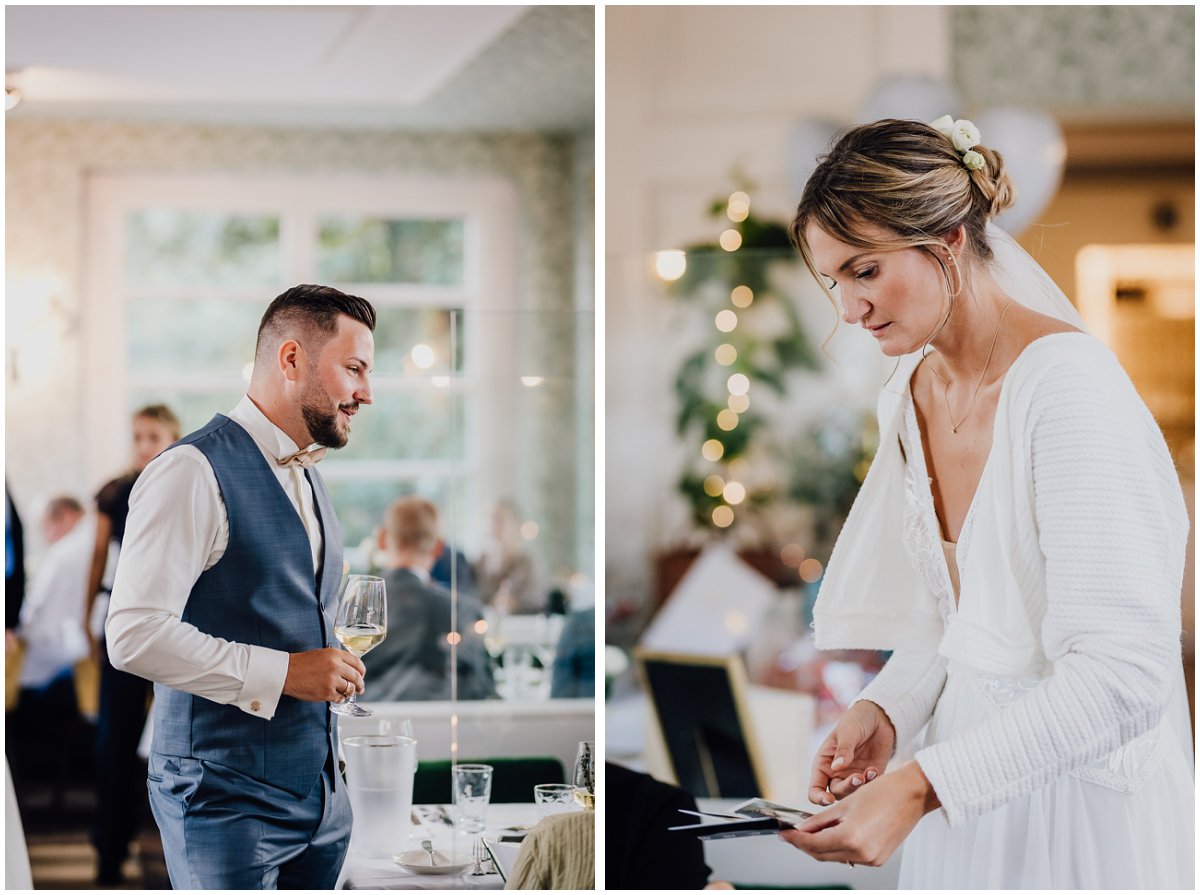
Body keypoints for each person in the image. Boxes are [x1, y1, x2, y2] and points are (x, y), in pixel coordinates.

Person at [779, 117, 1193, 888]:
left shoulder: (1067, 391)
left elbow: (1125, 674)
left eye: (864, 271)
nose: (849, 308)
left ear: (947, 242)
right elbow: (965, 616)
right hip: (962, 791)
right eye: (834, 280)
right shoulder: (908, 391)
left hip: (1075, 802)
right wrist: (890, 707)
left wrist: (921, 784)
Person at [106, 284, 376, 889]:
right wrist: (285, 673)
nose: (366, 393)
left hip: (323, 804)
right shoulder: (190, 471)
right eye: (354, 369)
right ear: (290, 360)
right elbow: (132, 636)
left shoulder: (307, 473)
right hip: (222, 801)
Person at [84, 403, 180, 884]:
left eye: (154, 436)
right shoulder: (117, 491)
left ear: (172, 437)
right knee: (114, 740)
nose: (144, 445)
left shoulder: (183, 483)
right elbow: (99, 557)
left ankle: (168, 844)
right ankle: (109, 845)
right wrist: (87, 616)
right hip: (122, 626)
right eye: (138, 436)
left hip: (173, 625)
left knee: (171, 732)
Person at [367, 496, 495, 701]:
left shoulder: (354, 607)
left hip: (364, 729)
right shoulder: (462, 611)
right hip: (441, 731)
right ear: (438, 548)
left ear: (382, 540)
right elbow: (481, 691)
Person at [17, 497, 91, 696]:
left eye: (45, 526)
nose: (45, 537)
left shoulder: (64, 553)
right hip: (82, 644)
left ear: (66, 515)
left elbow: (40, 609)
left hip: (66, 651)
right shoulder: (92, 540)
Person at [475, 499, 541, 614]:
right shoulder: (482, 561)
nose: (495, 525)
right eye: (493, 519)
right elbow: (474, 596)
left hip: (522, 626)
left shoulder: (527, 562)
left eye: (500, 519)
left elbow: (536, 599)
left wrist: (512, 604)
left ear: (515, 523)